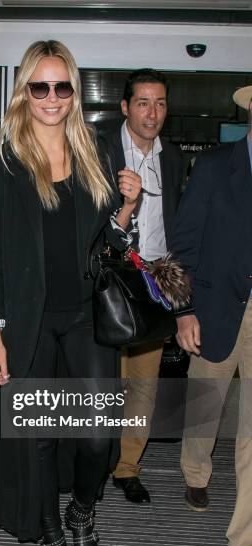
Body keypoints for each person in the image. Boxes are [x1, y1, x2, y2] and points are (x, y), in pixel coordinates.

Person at [0, 40, 141, 546]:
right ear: (24, 92)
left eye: (63, 87)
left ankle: (83, 512)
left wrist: (127, 210)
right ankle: (51, 539)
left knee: (96, 435)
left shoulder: (96, 154)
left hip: (86, 315)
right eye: (41, 86)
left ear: (73, 92)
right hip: (26, 320)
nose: (52, 98)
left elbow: (106, 243)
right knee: (37, 439)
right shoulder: (1, 168)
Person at [170, 85, 252, 546]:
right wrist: (184, 311)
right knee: (206, 402)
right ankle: (195, 471)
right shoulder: (217, 166)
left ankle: (244, 542)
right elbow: (183, 243)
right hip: (218, 307)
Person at [105, 69, 184, 503]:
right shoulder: (100, 149)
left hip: (153, 281)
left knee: (144, 383)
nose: (152, 113)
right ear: (125, 106)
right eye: (143, 103)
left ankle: (127, 467)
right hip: (107, 279)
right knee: (101, 378)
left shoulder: (172, 159)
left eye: (160, 103)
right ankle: (95, 457)